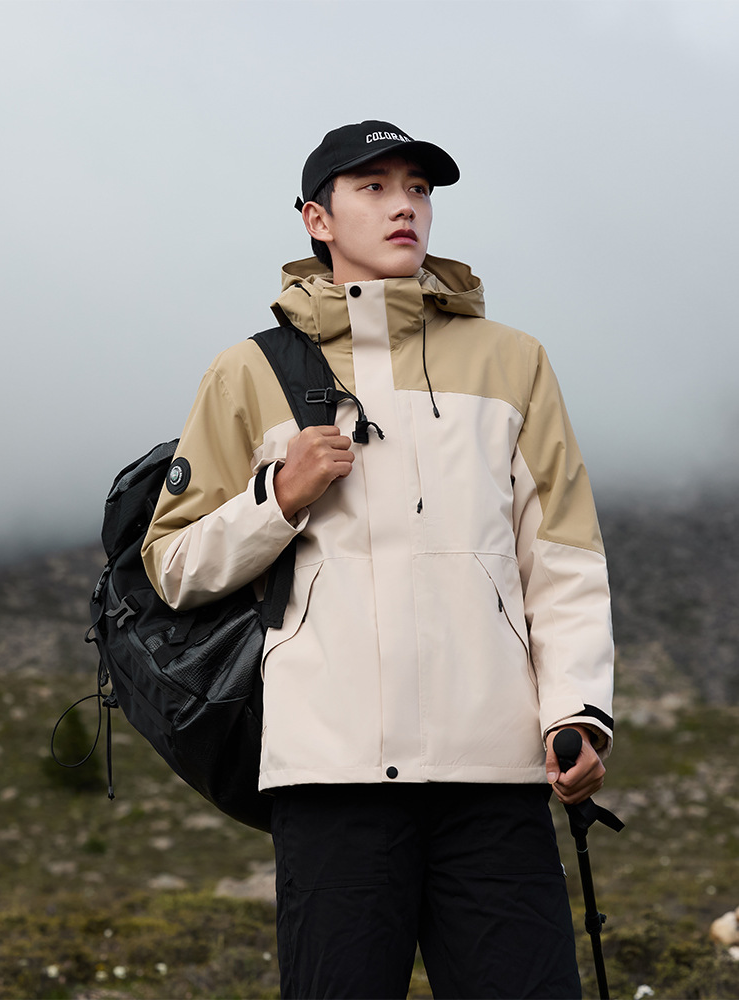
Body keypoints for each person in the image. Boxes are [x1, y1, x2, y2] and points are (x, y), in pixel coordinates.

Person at [142, 119, 614, 999]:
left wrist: (577, 711)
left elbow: (561, 558)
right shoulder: (246, 372)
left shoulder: (513, 360)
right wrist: (278, 497)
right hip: (331, 780)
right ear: (317, 219)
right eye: (375, 187)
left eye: (419, 189)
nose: (406, 206)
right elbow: (171, 564)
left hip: (494, 772)